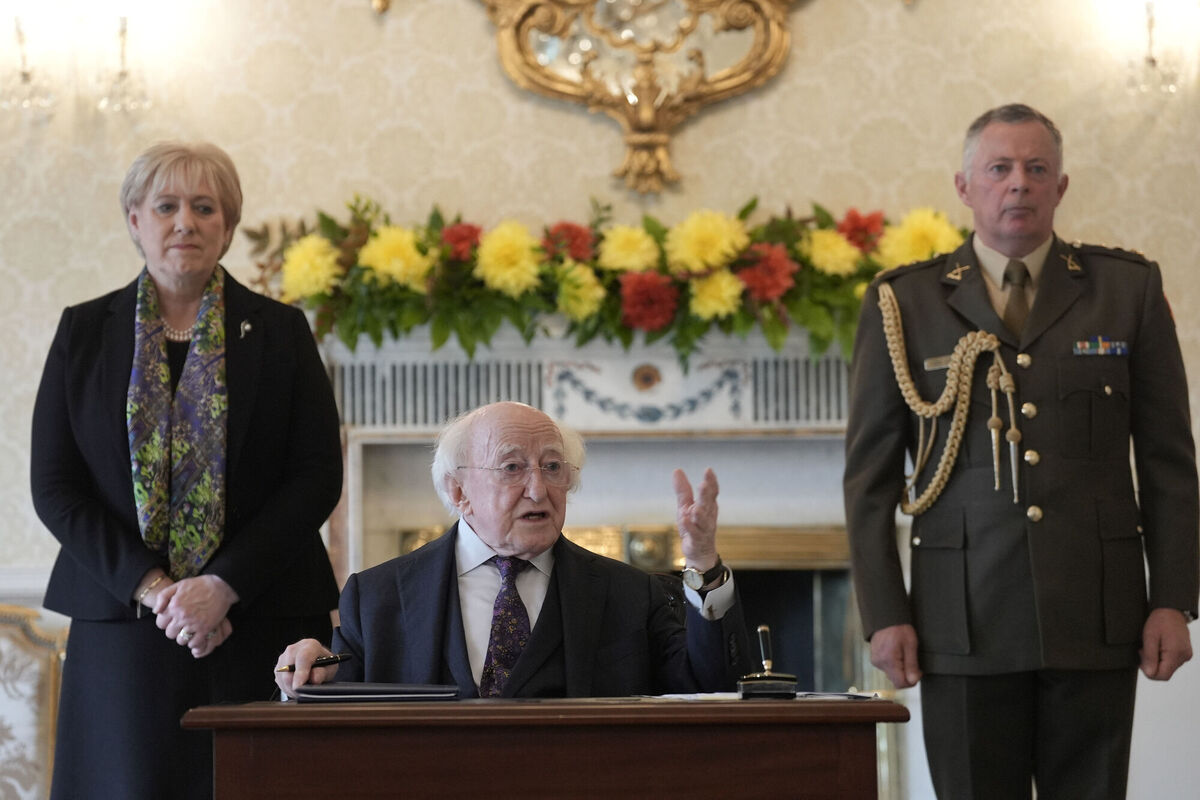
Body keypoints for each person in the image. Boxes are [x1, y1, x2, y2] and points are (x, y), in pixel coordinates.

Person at [844, 103, 1198, 799]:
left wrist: (1174, 599)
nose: (1019, 184)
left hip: (1094, 611)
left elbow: (1168, 463)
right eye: (999, 169)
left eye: (1037, 169)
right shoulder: (904, 302)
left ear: (1060, 186)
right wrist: (886, 612)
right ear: (964, 185)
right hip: (962, 616)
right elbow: (869, 480)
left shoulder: (1127, 289)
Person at [30, 142, 343, 800]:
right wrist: (155, 590)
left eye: (205, 208)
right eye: (166, 206)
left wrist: (222, 586)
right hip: (125, 629)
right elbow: (56, 488)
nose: (185, 222)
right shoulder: (83, 333)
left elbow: (315, 476)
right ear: (134, 220)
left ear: (228, 226)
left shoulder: (282, 331)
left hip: (261, 618)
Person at [275, 401, 752, 698]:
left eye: (552, 468)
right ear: (458, 491)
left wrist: (704, 563)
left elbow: (710, 689)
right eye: (511, 467)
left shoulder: (629, 593)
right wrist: (311, 670)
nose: (538, 489)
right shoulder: (376, 597)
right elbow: (336, 708)